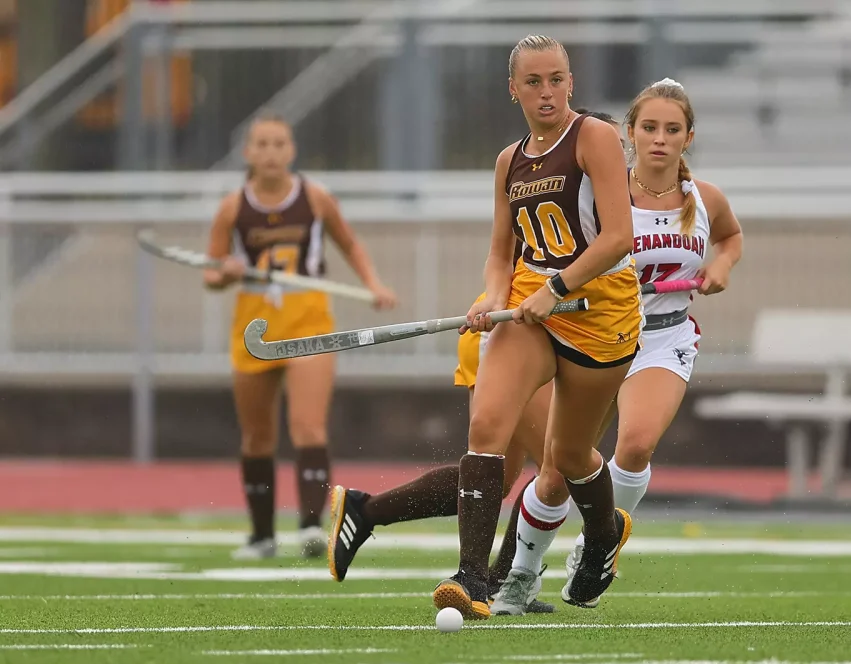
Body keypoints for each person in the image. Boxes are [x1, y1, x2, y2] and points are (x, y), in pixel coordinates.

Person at [325, 109, 626, 618]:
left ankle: (365, 510)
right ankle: (495, 581)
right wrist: (500, 296)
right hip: (522, 327)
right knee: (553, 467)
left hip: (569, 329)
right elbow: (509, 254)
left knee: (508, 476)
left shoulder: (636, 198)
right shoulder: (554, 171)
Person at [490, 78, 744, 613]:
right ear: (628, 134)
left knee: (634, 445)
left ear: (688, 137)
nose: (659, 139)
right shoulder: (605, 189)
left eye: (671, 130)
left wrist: (720, 265)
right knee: (560, 467)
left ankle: (597, 545)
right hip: (597, 333)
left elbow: (730, 237)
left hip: (661, 336)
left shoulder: (705, 199)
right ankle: (522, 572)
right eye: (648, 127)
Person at [436, 34, 642, 621]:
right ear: (514, 90)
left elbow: (617, 237)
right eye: (533, 82)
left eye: (556, 79)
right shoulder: (509, 161)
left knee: (570, 454)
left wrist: (558, 288)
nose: (546, 92)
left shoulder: (595, 138)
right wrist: (494, 298)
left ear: (570, 82)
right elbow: (502, 252)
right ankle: (472, 576)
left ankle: (603, 534)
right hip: (531, 305)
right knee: (487, 421)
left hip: (598, 312)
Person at [203, 114, 396, 561]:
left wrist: (374, 284)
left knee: (308, 425)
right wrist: (225, 272)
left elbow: (350, 245)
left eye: (279, 144)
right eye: (262, 144)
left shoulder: (315, 198)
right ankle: (261, 535)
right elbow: (212, 272)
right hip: (254, 324)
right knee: (256, 436)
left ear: (291, 151)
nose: (271, 152)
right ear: (248, 153)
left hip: (309, 321)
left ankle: (310, 525)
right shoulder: (233, 207)